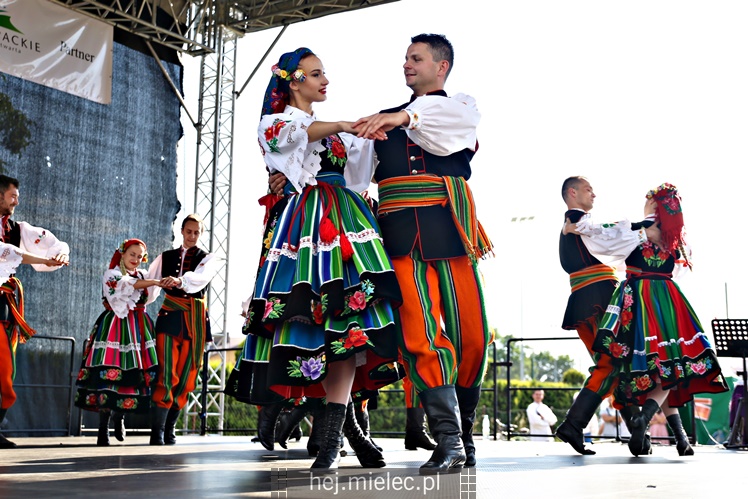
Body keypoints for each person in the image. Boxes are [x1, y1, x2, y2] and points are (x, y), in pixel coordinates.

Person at [241, 48, 403, 470]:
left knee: (347, 325)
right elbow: (293, 136)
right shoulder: (276, 123)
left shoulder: (336, 134)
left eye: (324, 73)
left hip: (347, 222)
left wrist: (376, 130)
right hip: (306, 224)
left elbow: (360, 172)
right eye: (316, 74)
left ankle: (332, 439)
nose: (324, 80)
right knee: (312, 322)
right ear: (294, 82)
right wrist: (348, 124)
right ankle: (338, 435)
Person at [353, 33, 493, 472]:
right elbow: (353, 178)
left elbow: (439, 125)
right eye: (405, 59)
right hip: (398, 236)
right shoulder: (383, 124)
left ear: (441, 67)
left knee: (473, 334)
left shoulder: (460, 108)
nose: (407, 65)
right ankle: (449, 441)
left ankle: (465, 432)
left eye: (416, 58)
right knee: (420, 332)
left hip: (451, 229)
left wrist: (398, 118)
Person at [589, 183, 728, 456]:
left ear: (653, 204)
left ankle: (652, 424)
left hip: (639, 299)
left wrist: (576, 226)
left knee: (661, 369)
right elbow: (682, 270)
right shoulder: (675, 238)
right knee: (670, 367)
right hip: (667, 300)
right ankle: (680, 438)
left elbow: (601, 237)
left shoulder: (636, 229)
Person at [555, 176, 660, 456]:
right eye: (588, 189)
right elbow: (612, 233)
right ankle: (573, 424)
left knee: (617, 365)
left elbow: (611, 237)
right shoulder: (577, 222)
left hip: (593, 297)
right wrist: (644, 225)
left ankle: (638, 434)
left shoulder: (581, 226)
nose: (594, 194)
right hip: (596, 299)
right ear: (572, 193)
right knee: (612, 363)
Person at [0, 174, 69, 448]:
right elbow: (5, 252)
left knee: (6, 367)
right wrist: (43, 259)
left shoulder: (18, 228)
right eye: (13, 195)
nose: (17, 200)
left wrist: (59, 254)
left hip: (4, 306)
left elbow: (52, 242)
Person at [74, 239, 160, 445]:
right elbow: (126, 285)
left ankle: (119, 417)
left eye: (140, 257)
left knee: (131, 376)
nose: (136, 260)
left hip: (139, 328)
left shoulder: (143, 275)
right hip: (114, 327)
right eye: (132, 254)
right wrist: (155, 281)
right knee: (108, 373)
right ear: (122, 254)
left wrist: (160, 280)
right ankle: (102, 429)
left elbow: (147, 293)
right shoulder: (112, 274)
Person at [146, 214, 219, 445]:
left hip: (195, 319)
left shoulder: (208, 258)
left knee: (188, 374)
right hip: (169, 317)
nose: (192, 236)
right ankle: (157, 431)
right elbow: (150, 284)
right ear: (182, 230)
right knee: (167, 371)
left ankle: (170, 428)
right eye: (189, 231)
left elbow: (200, 279)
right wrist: (131, 299)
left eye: (197, 232)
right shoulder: (165, 257)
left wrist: (179, 281)